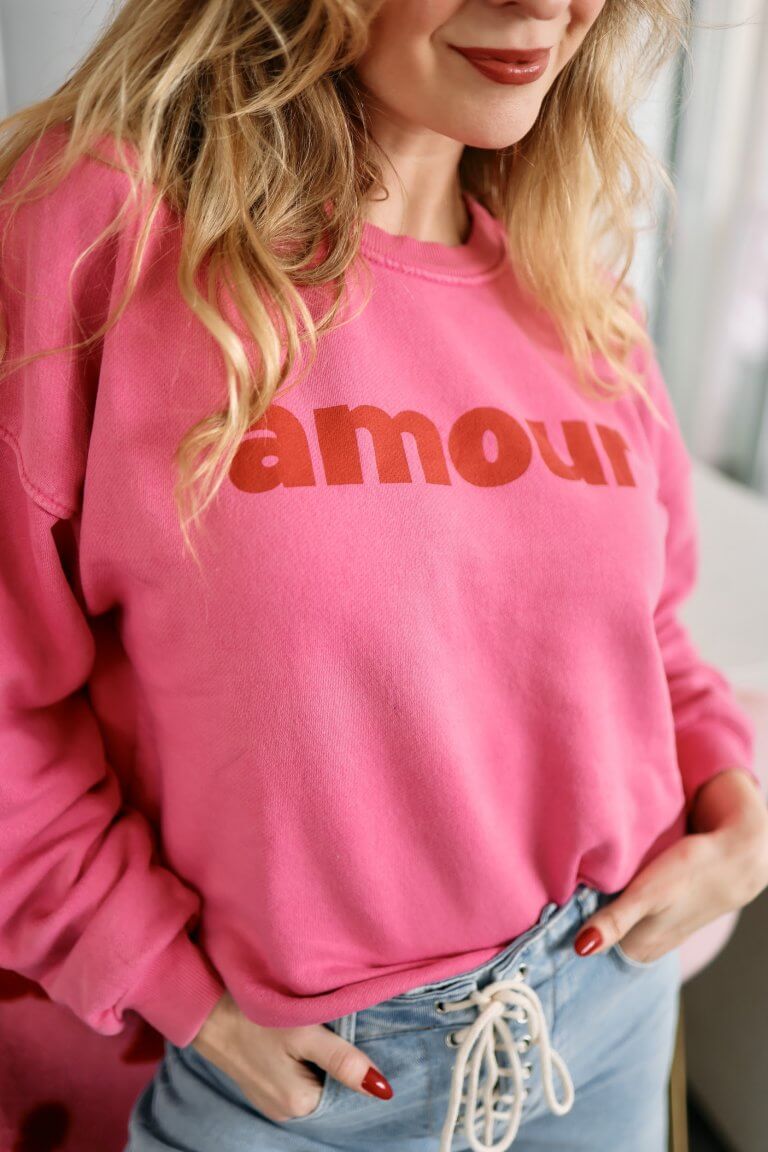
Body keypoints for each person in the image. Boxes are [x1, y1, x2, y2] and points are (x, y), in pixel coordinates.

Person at [1, 0, 767, 1149]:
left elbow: (647, 640)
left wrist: (739, 806)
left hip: (605, 1022)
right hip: (298, 1084)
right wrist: (166, 978)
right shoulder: (98, 230)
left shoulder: (577, 284)